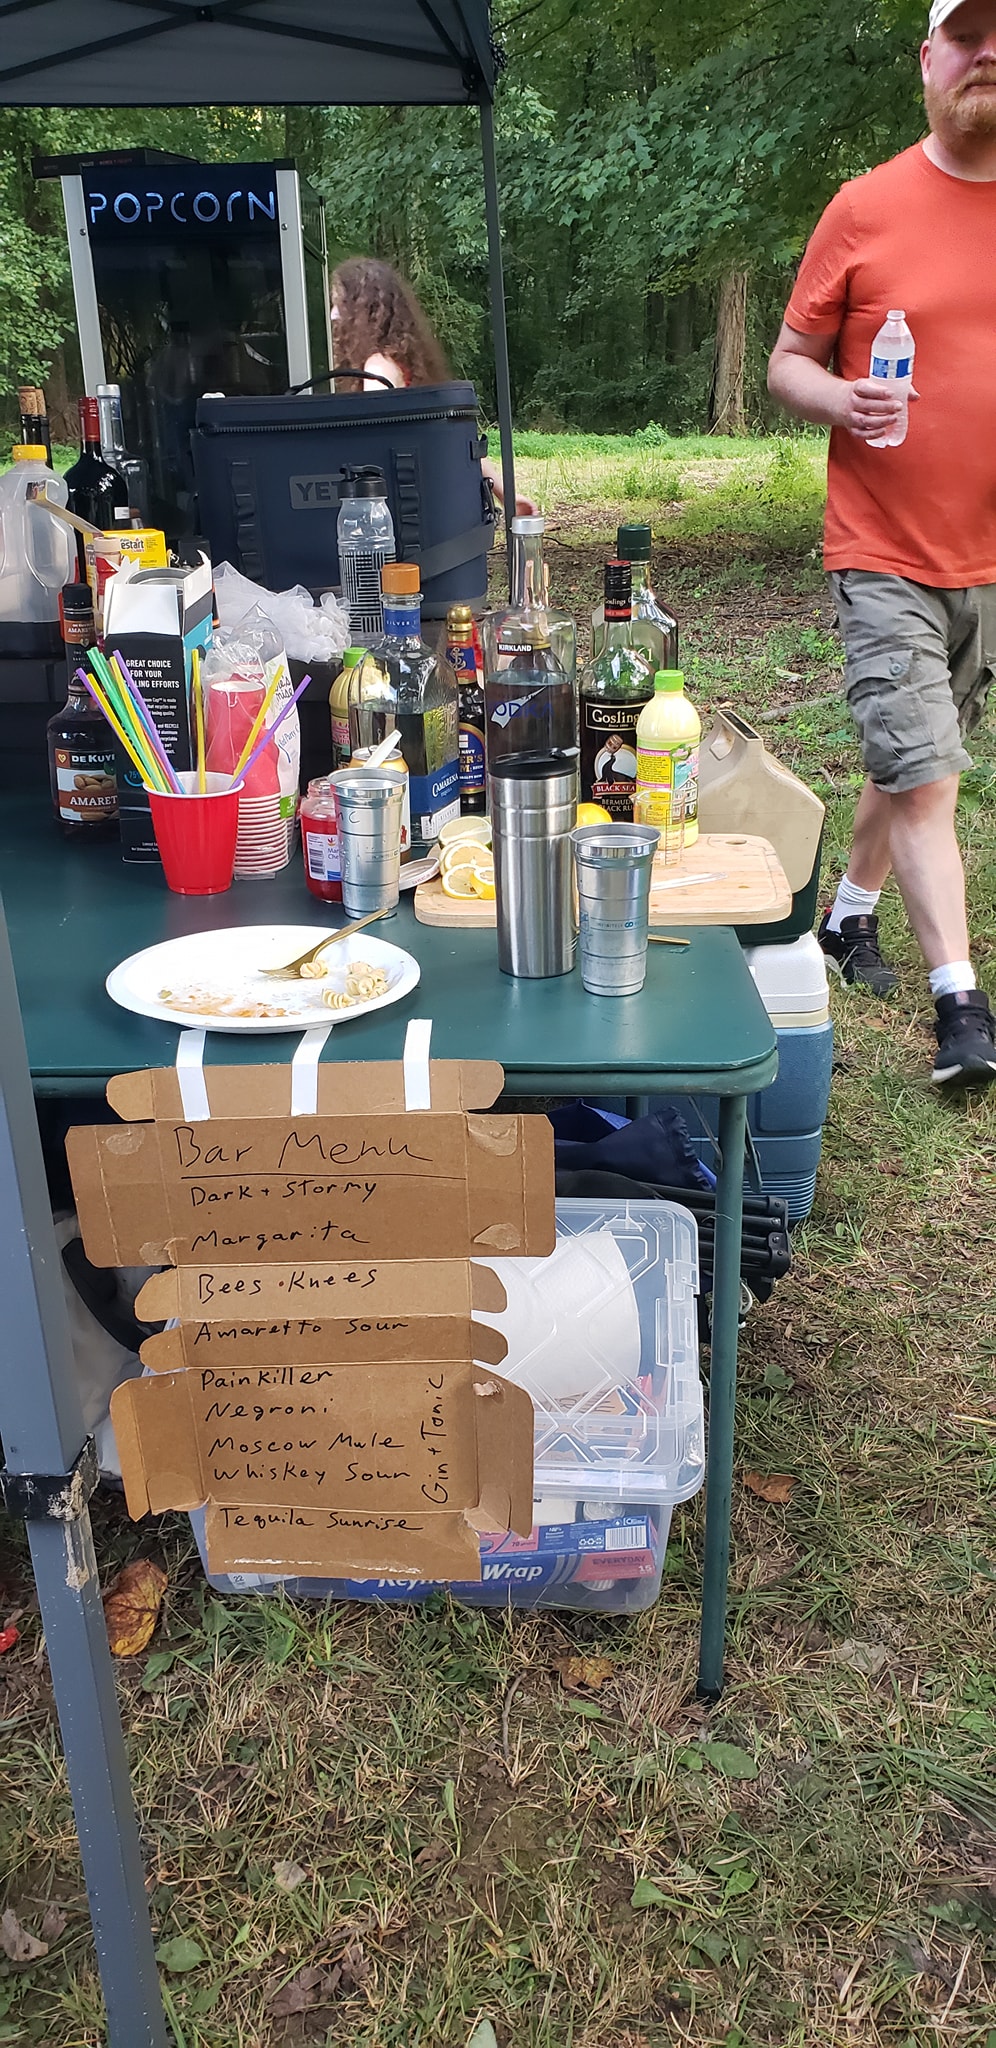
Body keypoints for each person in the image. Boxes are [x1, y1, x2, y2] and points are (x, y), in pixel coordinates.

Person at [767, 0, 996, 1089]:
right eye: (969, 33)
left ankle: (846, 921)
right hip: (883, 545)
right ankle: (963, 1006)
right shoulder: (866, 206)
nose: (988, 53)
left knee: (917, 763)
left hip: (986, 558)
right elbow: (786, 362)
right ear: (929, 60)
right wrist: (838, 400)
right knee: (927, 779)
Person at [331, 256, 537, 515]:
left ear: (363, 309)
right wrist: (505, 495)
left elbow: (375, 449)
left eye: (339, 303)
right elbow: (459, 440)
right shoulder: (403, 361)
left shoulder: (377, 367)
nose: (333, 314)